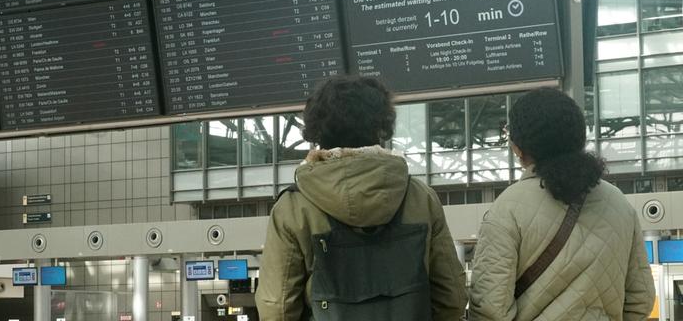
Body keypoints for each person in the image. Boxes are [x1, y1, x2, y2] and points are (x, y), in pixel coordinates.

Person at [255, 76, 467, 321]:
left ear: (317, 130)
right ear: (381, 126)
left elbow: (277, 309)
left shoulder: (293, 209)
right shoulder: (421, 198)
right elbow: (452, 298)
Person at [469, 88, 655, 320]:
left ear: (518, 147)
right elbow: (641, 298)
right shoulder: (618, 203)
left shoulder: (507, 208)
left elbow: (490, 309)